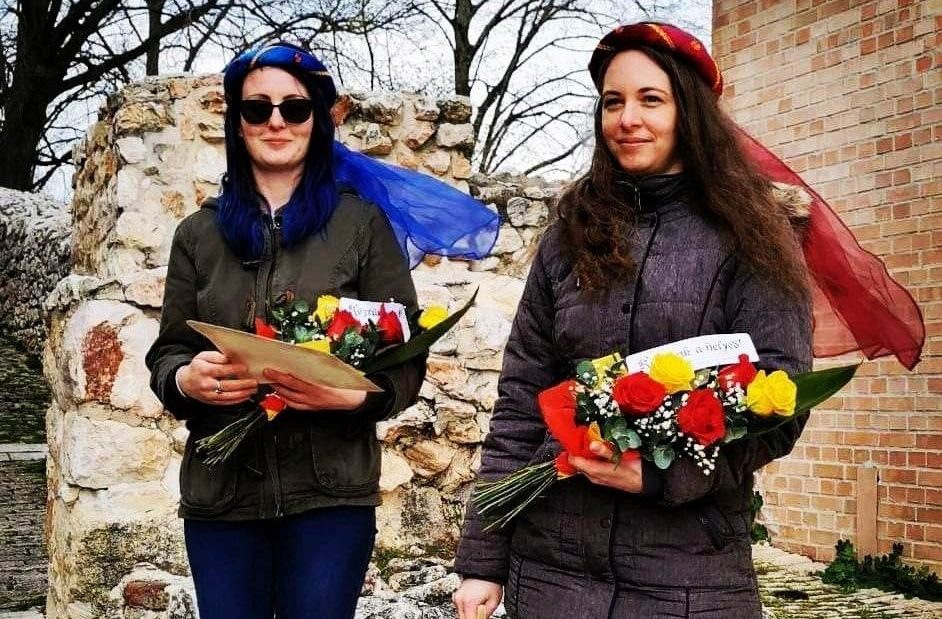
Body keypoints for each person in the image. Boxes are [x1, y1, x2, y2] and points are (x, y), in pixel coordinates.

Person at [454, 22, 818, 619]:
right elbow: (520, 401)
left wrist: (657, 476)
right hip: (551, 574)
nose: (627, 119)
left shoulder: (752, 234)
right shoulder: (568, 235)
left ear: (690, 112)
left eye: (651, 99)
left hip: (689, 578)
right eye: (612, 101)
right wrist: (483, 559)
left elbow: (781, 404)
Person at [145, 42, 496, 619]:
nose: (276, 121)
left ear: (319, 117)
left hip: (330, 496)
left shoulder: (361, 225)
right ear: (236, 121)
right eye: (257, 108)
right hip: (221, 495)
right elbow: (169, 352)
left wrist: (354, 396)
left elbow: (405, 360)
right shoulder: (197, 235)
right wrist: (187, 379)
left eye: (295, 107)